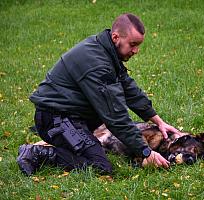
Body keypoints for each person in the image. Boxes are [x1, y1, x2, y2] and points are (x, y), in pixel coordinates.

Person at [17, 13, 182, 176]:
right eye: (132, 44)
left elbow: (128, 88)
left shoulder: (107, 50)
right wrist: (146, 152)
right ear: (116, 37)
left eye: (138, 45)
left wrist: (158, 121)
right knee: (100, 166)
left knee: (90, 151)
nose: (136, 50)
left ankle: (64, 145)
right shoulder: (98, 64)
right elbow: (115, 115)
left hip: (70, 116)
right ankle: (35, 153)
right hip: (55, 119)